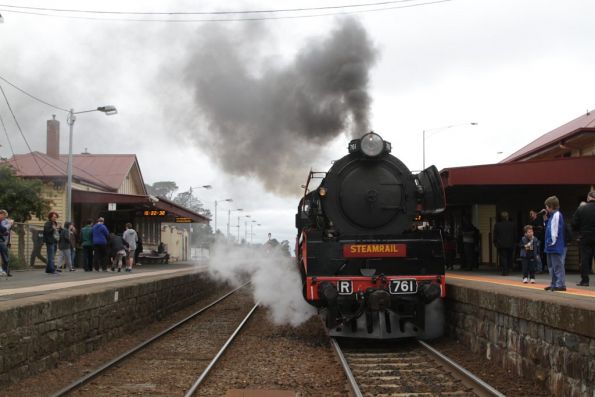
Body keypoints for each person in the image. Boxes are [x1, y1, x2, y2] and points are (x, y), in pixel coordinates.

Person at [543, 196, 567, 291]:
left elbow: (555, 230)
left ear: (551, 206)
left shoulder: (557, 215)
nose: (546, 209)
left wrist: (552, 241)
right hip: (550, 245)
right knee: (551, 266)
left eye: (547, 207)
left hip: (554, 245)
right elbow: (549, 226)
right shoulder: (552, 216)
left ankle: (560, 284)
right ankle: (554, 283)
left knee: (557, 265)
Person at [572, 191, 595, 287]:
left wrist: (580, 231)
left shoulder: (581, 209)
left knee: (585, 259)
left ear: (588, 198)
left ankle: (585, 281)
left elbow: (574, 223)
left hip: (585, 236)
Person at [493, 211, 516, 276]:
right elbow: (515, 234)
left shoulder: (497, 225)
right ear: (507, 217)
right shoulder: (512, 224)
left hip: (501, 244)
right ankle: (508, 269)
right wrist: (515, 242)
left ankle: (504, 271)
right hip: (510, 243)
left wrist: (495, 242)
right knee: (509, 257)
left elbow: (495, 235)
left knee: (503, 258)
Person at [0, 209, 14, 277]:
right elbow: (3, 229)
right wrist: (9, 224)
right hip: (1, 241)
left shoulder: (3, 221)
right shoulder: (3, 221)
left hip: (3, 240)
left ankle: (6, 271)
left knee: (5, 256)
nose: (4, 218)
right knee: (5, 256)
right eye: (4, 216)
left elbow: (4, 231)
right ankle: (4, 271)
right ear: (1, 214)